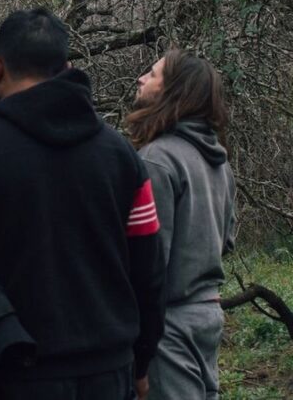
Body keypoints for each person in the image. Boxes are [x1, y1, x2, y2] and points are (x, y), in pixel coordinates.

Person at [0, 8, 166, 400]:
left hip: (9, 370)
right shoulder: (123, 158)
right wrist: (142, 360)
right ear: (66, 66)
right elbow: (149, 272)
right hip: (110, 372)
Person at [127, 49, 236, 400]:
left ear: (174, 91)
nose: (142, 78)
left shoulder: (157, 159)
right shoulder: (220, 162)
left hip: (170, 325)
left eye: (153, 74)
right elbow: (226, 241)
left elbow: (149, 262)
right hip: (209, 316)